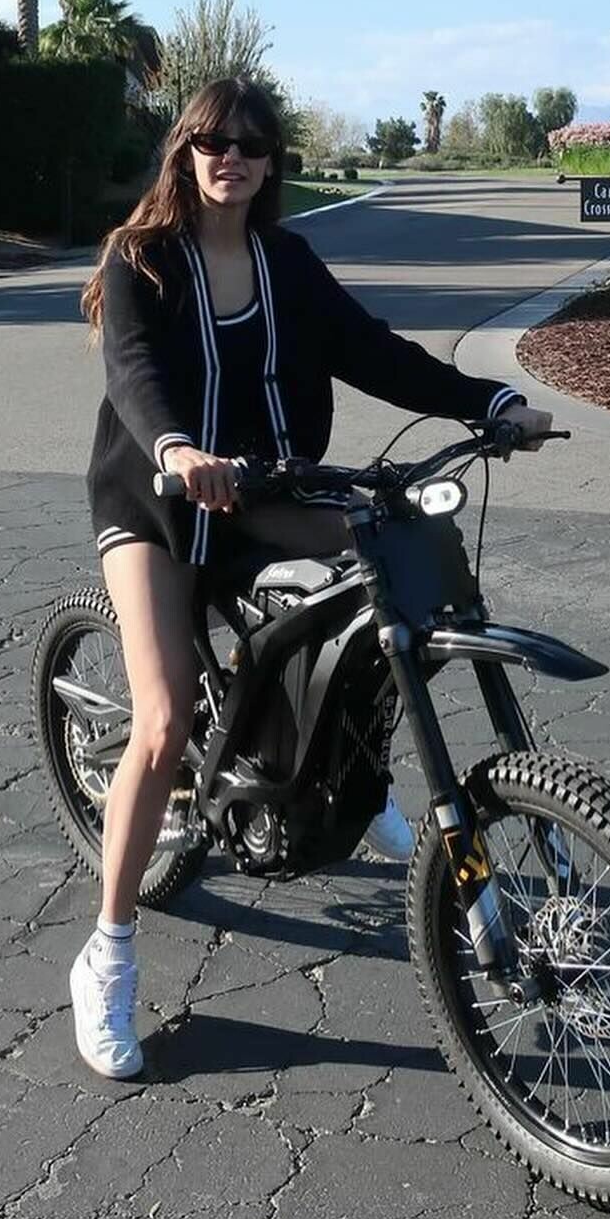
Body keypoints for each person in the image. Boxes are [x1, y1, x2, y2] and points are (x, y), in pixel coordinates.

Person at [70, 77, 553, 1078]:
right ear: (186, 150)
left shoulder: (286, 262)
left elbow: (374, 353)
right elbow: (134, 372)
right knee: (161, 720)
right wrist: (176, 448)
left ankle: (349, 772)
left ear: (271, 161)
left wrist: (489, 402)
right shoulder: (140, 257)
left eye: (252, 144)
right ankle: (107, 953)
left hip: (260, 488)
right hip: (154, 500)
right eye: (214, 141)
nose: (232, 158)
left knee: (385, 567)